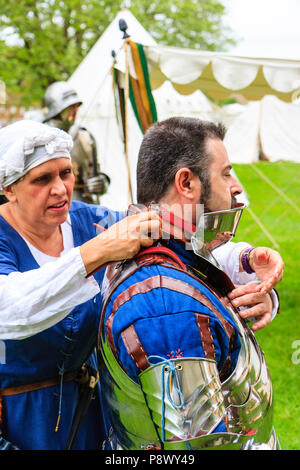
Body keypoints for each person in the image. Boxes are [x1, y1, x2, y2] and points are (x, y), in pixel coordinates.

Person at [98, 117, 281, 450]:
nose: (236, 186)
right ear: (186, 182)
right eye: (226, 173)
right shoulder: (165, 307)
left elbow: (214, 262)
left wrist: (258, 279)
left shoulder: (166, 253)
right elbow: (192, 449)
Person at [0, 119, 161, 450]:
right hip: (19, 418)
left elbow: (168, 231)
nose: (60, 188)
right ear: (9, 189)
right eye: (42, 179)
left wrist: (244, 259)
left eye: (65, 173)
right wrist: (96, 253)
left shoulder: (91, 220)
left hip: (91, 408)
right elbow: (9, 309)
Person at [43, 81, 110, 204]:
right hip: (51, 205)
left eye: (76, 106)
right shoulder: (39, 137)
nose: (75, 110)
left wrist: (101, 183)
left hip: (84, 205)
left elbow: (95, 173)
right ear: (57, 109)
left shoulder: (85, 137)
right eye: (70, 107)